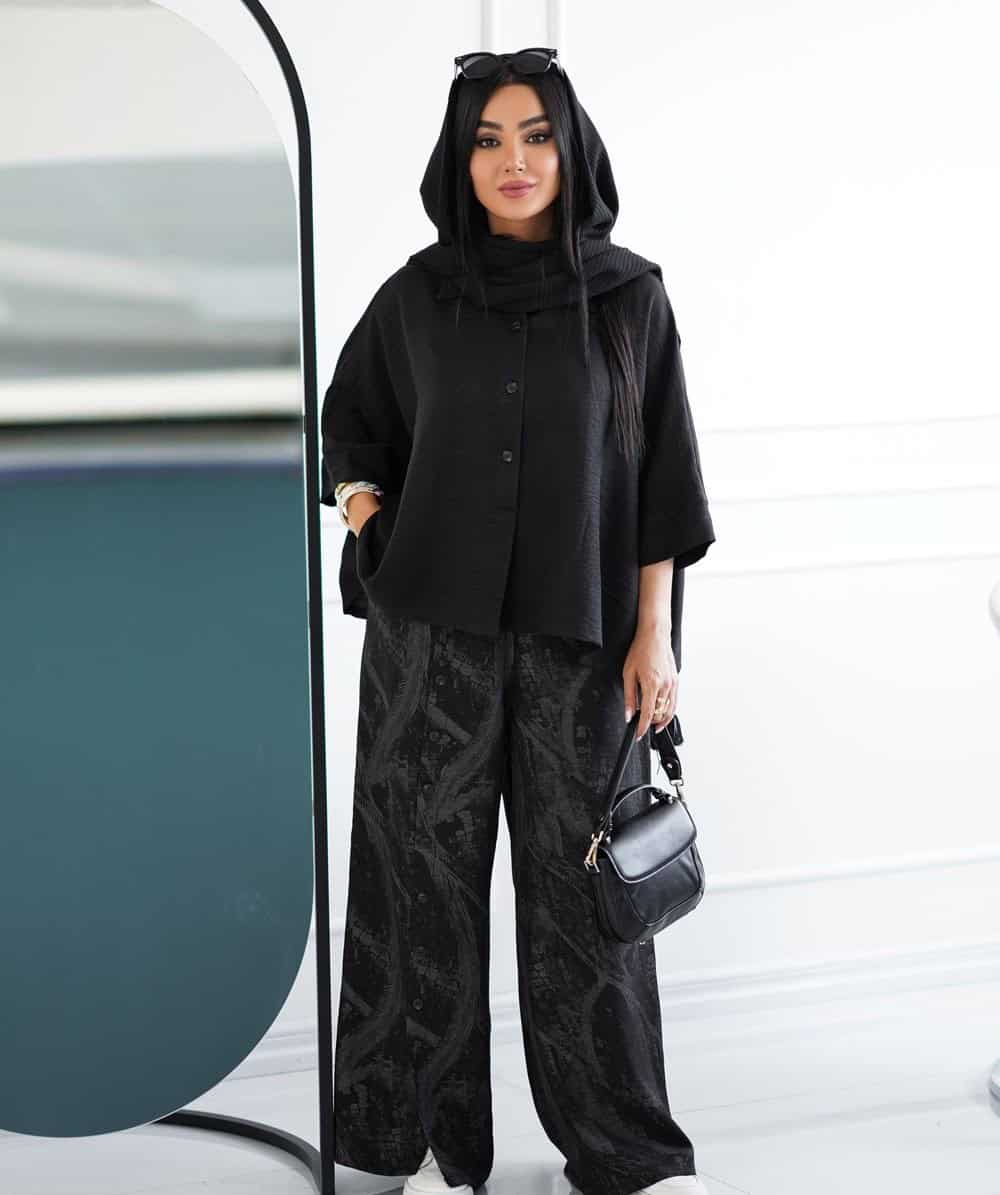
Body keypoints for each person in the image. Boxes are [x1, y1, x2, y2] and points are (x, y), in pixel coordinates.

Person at [321, 47, 716, 1195]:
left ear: (571, 149)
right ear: (459, 158)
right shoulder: (416, 297)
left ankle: (624, 1150)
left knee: (588, 903)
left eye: (535, 135)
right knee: (412, 892)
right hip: (427, 645)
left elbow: (661, 480)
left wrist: (656, 632)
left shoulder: (630, 299)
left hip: (583, 645)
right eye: (488, 139)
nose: (513, 159)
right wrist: (372, 511)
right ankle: (385, 1137)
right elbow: (349, 427)